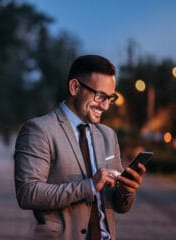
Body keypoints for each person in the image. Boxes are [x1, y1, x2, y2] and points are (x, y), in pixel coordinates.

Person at [14, 55, 146, 240]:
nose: (106, 106)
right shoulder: (39, 130)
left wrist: (126, 190)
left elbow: (118, 206)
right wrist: (90, 185)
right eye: (100, 96)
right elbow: (27, 193)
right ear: (74, 87)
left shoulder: (108, 135)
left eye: (110, 98)